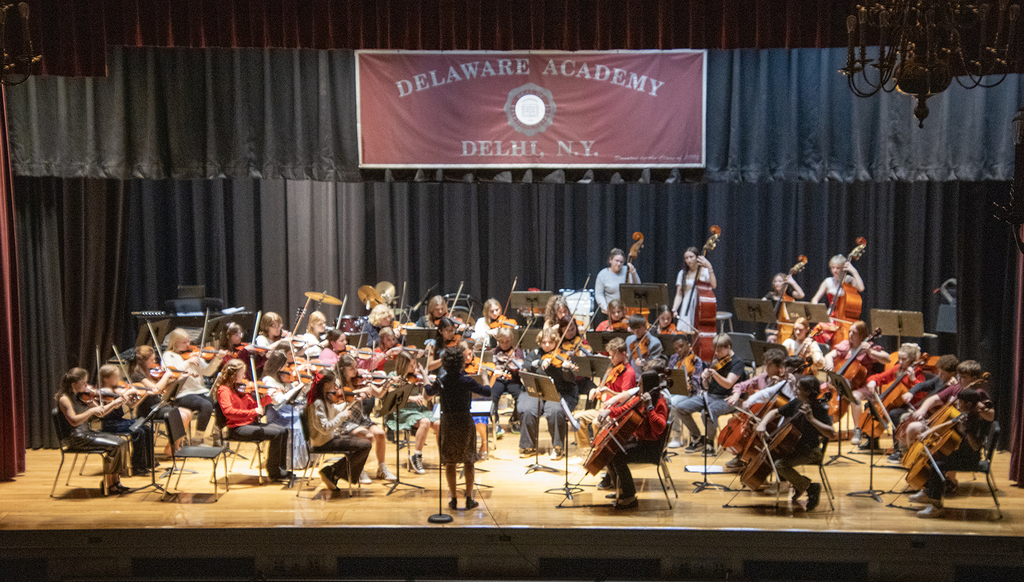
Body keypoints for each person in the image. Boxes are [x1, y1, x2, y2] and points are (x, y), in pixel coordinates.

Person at [754, 375, 835, 511]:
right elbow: (775, 411)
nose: (795, 390)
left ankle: (810, 487)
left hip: (811, 451)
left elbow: (831, 433)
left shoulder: (819, 408)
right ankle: (798, 484)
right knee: (774, 457)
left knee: (779, 465)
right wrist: (762, 423)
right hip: (795, 448)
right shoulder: (797, 402)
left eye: (798, 388)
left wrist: (812, 419)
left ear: (808, 392)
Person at [910, 388, 994, 518]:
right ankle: (927, 493)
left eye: (960, 402)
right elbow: (950, 422)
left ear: (969, 403)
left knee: (937, 465)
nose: (957, 404)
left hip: (970, 459)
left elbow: (976, 447)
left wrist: (966, 430)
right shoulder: (966, 413)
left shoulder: (977, 421)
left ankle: (936, 506)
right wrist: (928, 432)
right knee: (932, 457)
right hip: (962, 454)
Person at [426, 346, 491, 510]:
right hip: (464, 421)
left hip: (447, 421)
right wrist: (484, 377)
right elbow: (487, 392)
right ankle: (469, 498)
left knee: (450, 461)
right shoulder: (467, 380)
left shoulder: (441, 381)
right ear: (461, 363)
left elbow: (428, 392)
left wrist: (425, 377)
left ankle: (453, 499)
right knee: (469, 460)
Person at [55, 368, 132, 495]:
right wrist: (90, 411)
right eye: (84, 383)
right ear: (74, 385)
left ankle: (114, 481)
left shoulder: (83, 396)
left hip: (87, 433)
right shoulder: (65, 399)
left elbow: (101, 413)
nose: (87, 386)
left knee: (121, 442)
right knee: (116, 445)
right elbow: (73, 421)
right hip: (76, 437)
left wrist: (114, 404)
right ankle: (110, 483)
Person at [213, 359, 290, 481]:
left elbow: (253, 406)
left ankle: (281, 469)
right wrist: (252, 413)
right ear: (234, 375)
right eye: (242, 373)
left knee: (284, 430)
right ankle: (274, 472)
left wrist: (269, 397)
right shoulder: (224, 390)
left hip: (249, 424)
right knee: (277, 433)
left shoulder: (241, 389)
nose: (244, 376)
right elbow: (229, 412)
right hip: (238, 428)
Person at [601, 371, 668, 509]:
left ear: (648, 385)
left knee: (617, 457)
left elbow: (660, 427)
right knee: (610, 451)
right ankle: (621, 490)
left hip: (651, 448)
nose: (638, 385)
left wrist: (650, 407)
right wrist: (609, 411)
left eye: (641, 383)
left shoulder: (660, 403)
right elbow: (623, 410)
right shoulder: (639, 399)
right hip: (640, 442)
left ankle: (630, 497)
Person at [669, 333, 746, 456]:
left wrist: (714, 374)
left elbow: (728, 384)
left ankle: (710, 444)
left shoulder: (738, 362)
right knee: (680, 408)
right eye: (715, 349)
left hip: (728, 399)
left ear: (729, 347)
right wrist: (705, 379)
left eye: (719, 349)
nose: (716, 353)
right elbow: (706, 387)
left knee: (708, 411)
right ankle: (698, 438)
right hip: (709, 396)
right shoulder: (717, 361)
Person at [518, 327, 580, 459]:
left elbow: (570, 380)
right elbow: (525, 370)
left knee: (555, 411)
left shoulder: (563, 356)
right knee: (527, 409)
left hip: (558, 392)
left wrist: (566, 370)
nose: (547, 345)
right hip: (536, 391)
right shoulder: (534, 353)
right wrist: (539, 362)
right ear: (539, 342)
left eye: (550, 342)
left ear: (556, 342)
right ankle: (527, 445)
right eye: (544, 342)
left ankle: (558, 448)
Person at [885, 354, 959, 464]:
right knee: (895, 413)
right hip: (922, 410)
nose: (939, 374)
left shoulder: (954, 386)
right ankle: (899, 451)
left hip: (934, 416)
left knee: (905, 418)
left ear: (952, 373)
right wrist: (911, 392)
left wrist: (953, 387)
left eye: (942, 372)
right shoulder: (938, 379)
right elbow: (922, 385)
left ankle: (908, 453)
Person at [335, 354, 397, 482]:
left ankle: (381, 469)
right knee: (368, 436)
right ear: (343, 369)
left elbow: (379, 394)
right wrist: (358, 392)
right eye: (351, 368)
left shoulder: (361, 380)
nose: (356, 370)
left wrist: (388, 382)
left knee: (380, 434)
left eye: (356, 367)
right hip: (345, 421)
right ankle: (359, 469)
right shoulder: (337, 383)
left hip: (361, 419)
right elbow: (339, 400)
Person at [306, 371, 373, 491]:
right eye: (334, 384)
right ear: (326, 385)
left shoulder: (325, 399)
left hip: (330, 438)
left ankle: (333, 473)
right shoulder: (318, 403)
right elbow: (325, 428)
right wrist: (342, 415)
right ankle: (332, 472)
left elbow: (335, 411)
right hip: (323, 442)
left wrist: (352, 401)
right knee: (365, 446)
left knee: (364, 443)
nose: (336, 387)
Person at [853, 343, 925, 450]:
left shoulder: (917, 372)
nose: (900, 362)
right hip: (896, 403)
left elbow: (921, 394)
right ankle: (872, 443)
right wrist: (872, 381)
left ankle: (897, 449)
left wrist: (913, 379)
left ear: (912, 359)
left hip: (911, 405)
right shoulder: (898, 368)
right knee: (869, 405)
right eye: (899, 358)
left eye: (904, 359)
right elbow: (881, 377)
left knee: (894, 413)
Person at [162, 328, 227, 445]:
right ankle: (198, 439)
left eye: (189, 341)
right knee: (206, 405)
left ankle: (217, 433)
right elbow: (171, 373)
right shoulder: (168, 355)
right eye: (184, 342)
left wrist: (217, 358)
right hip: (182, 393)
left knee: (222, 401)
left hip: (199, 390)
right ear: (175, 343)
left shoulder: (194, 353)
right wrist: (188, 362)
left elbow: (207, 371)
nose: (188, 345)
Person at [573, 337, 636, 455]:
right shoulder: (612, 368)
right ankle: (586, 453)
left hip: (618, 413)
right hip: (604, 409)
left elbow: (625, 397)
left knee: (597, 422)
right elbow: (602, 387)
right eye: (610, 356)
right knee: (578, 418)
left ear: (623, 354)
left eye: (613, 356)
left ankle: (601, 455)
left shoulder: (629, 372)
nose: (610, 359)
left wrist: (608, 392)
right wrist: (595, 390)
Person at [127, 345, 192, 454]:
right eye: (151, 359)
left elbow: (160, 388)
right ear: (143, 361)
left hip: (158, 404)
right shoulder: (137, 375)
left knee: (188, 413)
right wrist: (166, 376)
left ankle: (175, 447)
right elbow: (155, 388)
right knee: (182, 416)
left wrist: (177, 380)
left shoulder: (148, 372)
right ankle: (171, 450)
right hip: (149, 409)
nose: (154, 361)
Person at [385, 350, 439, 474]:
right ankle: (417, 456)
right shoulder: (394, 376)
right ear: (402, 365)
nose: (413, 367)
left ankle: (445, 455)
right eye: (410, 365)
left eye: (414, 364)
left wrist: (426, 379)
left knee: (439, 422)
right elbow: (391, 397)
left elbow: (427, 398)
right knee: (425, 422)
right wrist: (411, 398)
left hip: (419, 410)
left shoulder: (417, 377)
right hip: (403, 411)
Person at [95, 364, 152, 474]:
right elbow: (114, 404)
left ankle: (147, 463)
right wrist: (127, 393)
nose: (119, 380)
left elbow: (132, 405)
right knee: (138, 431)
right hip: (110, 424)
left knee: (146, 427)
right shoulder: (103, 391)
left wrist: (144, 394)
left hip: (120, 421)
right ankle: (137, 467)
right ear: (106, 379)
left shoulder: (117, 390)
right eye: (116, 377)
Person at [261, 349, 310, 472]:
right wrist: (295, 388)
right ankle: (292, 461)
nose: (287, 367)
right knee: (300, 419)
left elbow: (288, 396)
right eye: (285, 364)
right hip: (277, 415)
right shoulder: (268, 380)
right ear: (278, 365)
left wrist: (297, 388)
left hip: (287, 411)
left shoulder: (280, 377)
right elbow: (279, 401)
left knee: (308, 415)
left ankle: (307, 457)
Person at [666, 335, 705, 448]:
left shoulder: (696, 360)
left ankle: (676, 435)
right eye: (676, 349)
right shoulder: (674, 358)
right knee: (662, 399)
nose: (679, 350)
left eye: (681, 346)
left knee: (672, 403)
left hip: (689, 393)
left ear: (688, 344)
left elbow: (697, 385)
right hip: (674, 390)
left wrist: (688, 381)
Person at [671, 246, 716, 334]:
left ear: (697, 257)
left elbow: (714, 285)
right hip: (686, 305)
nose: (689, 260)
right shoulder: (682, 273)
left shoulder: (705, 271)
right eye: (686, 258)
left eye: (691, 257)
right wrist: (675, 308)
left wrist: (709, 267)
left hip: (701, 305)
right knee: (684, 334)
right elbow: (679, 294)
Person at [489, 327, 525, 434]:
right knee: (492, 396)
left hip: (513, 379)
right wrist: (495, 368)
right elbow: (489, 367)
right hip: (499, 380)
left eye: (507, 341)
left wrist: (515, 363)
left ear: (512, 340)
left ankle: (514, 419)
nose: (504, 344)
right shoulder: (494, 351)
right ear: (498, 341)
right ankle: (496, 423)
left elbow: (521, 369)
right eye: (502, 342)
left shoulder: (517, 352)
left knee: (520, 397)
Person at [594, 248, 639, 329]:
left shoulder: (627, 270)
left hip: (627, 313)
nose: (619, 264)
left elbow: (638, 286)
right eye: (616, 260)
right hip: (611, 314)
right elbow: (599, 294)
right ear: (610, 260)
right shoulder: (603, 274)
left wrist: (633, 272)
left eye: (621, 262)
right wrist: (607, 309)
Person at [764, 272, 805, 343]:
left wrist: (793, 282)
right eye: (775, 281)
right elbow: (761, 305)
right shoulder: (770, 295)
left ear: (785, 283)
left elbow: (801, 295)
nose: (777, 283)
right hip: (772, 326)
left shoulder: (789, 295)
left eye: (780, 281)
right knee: (771, 342)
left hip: (785, 327)